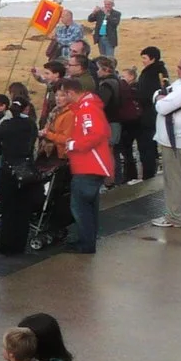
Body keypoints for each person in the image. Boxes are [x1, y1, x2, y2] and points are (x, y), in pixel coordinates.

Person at [41, 74, 112, 251]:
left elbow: (94, 134)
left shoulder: (87, 109)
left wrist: (73, 144)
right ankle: (87, 239)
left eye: (65, 94)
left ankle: (85, 243)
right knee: (88, 205)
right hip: (90, 164)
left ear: (72, 92)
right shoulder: (86, 107)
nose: (62, 98)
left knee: (79, 205)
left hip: (88, 165)